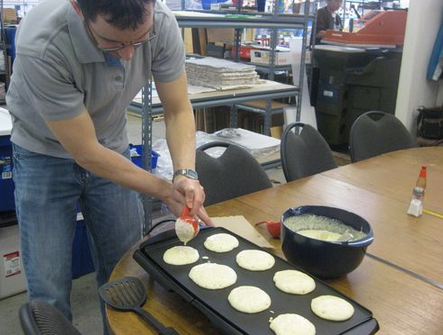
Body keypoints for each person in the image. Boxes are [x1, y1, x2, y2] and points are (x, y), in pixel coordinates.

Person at [6, 0, 212, 332]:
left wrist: (185, 173)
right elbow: (85, 152)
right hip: (42, 152)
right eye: (114, 42)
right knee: (49, 287)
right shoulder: (43, 42)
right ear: (78, 9)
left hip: (110, 143)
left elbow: (177, 109)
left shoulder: (161, 22)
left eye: (139, 40)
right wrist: (163, 189)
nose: (129, 55)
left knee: (126, 272)